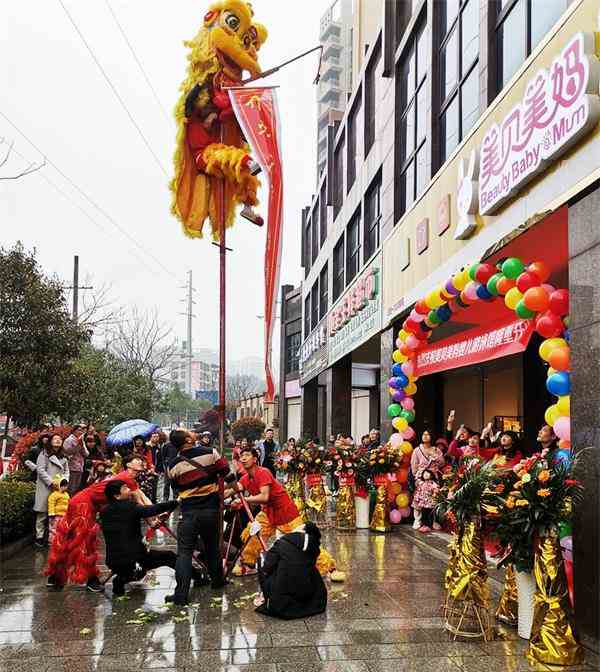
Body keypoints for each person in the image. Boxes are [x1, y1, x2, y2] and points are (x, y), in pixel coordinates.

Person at [45, 455, 149, 591]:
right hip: (83, 504)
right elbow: (140, 502)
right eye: (136, 461)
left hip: (82, 502)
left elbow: (142, 498)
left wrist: (154, 515)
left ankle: (54, 578)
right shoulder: (126, 478)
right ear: (128, 464)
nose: (140, 463)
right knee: (84, 543)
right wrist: (153, 518)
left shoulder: (128, 479)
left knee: (69, 539)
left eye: (140, 461)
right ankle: (90, 580)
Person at [231, 447, 337, 578]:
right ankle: (249, 564)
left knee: (302, 540)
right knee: (252, 533)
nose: (243, 458)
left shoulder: (263, 472)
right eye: (241, 456)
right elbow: (234, 489)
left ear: (255, 459)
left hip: (285, 510)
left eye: (246, 455)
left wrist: (243, 500)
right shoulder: (246, 478)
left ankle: (329, 567)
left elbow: (264, 497)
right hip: (267, 512)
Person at [166, 429, 230, 605]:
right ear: (187, 439)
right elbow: (226, 472)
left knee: (184, 553)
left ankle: (181, 595)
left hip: (188, 513)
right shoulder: (210, 452)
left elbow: (176, 488)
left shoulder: (173, 464)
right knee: (212, 548)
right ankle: (217, 581)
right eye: (190, 433)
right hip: (210, 510)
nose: (194, 433)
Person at [99, 479, 179, 596]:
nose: (129, 490)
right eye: (125, 488)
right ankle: (198, 577)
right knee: (170, 557)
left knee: (128, 569)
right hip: (135, 558)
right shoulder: (131, 507)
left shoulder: (104, 511)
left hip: (113, 561)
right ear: (117, 495)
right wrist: (175, 502)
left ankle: (122, 578)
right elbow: (151, 509)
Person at [255, 521, 327, 620]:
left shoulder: (281, 544)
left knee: (263, 561)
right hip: (309, 595)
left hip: (283, 599)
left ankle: (266, 598)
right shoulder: (314, 547)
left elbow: (267, 567)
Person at [32, 434, 69, 548]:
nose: (58, 440)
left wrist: (64, 482)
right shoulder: (44, 454)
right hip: (46, 486)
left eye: (60, 439)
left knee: (56, 513)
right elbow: (40, 470)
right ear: (50, 442)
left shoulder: (63, 457)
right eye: (55, 439)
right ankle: (39, 537)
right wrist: (51, 482)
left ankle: (53, 537)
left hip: (59, 488)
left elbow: (67, 471)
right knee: (42, 513)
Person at [410, 431, 444, 531]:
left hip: (433, 477)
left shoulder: (436, 449)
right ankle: (417, 520)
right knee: (418, 499)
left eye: (428, 434)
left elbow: (442, 463)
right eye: (423, 434)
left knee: (434, 499)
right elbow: (414, 465)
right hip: (421, 477)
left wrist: (435, 456)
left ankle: (434, 521)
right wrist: (417, 477)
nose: (425, 436)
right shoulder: (417, 450)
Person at [411, 469, 439, 533]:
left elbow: (436, 489)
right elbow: (418, 491)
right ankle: (424, 525)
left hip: (430, 501)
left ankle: (430, 525)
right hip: (423, 502)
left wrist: (435, 493)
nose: (426, 475)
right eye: (424, 473)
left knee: (430, 513)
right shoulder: (421, 483)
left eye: (427, 473)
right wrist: (417, 498)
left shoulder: (432, 483)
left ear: (431, 475)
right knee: (424, 513)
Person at [62, 424, 88, 495]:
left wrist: (82, 445)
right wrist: (78, 445)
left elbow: (86, 454)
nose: (80, 432)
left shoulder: (81, 441)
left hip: (80, 467)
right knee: (71, 488)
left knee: (76, 487)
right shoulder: (68, 440)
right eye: (79, 430)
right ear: (73, 431)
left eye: (81, 430)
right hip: (71, 467)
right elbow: (67, 453)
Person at [47, 476, 70, 545]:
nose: (65, 487)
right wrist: (51, 513)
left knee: (62, 528)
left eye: (66, 486)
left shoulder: (66, 494)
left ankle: (60, 540)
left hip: (64, 515)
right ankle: (52, 541)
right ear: (58, 486)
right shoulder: (54, 495)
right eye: (63, 486)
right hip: (56, 515)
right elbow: (51, 503)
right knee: (54, 528)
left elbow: (69, 503)